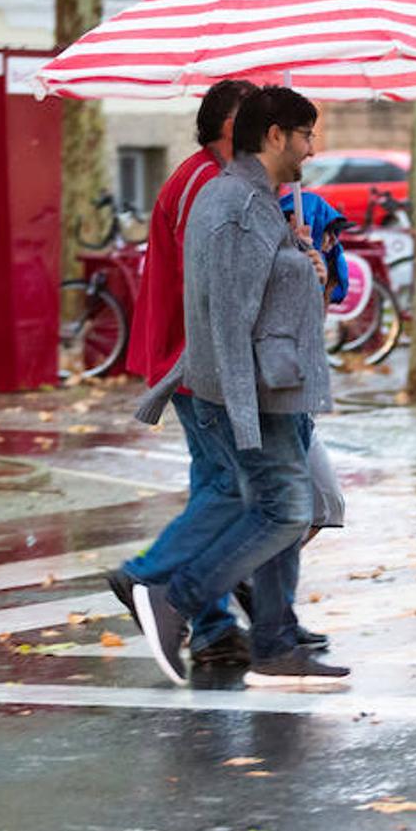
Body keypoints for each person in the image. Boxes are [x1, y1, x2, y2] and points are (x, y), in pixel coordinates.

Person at [131, 86, 348, 688]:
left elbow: (264, 289)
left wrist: (304, 263)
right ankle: (173, 593)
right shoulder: (231, 204)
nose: (312, 148)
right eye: (306, 134)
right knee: (280, 508)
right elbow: (227, 316)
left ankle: (274, 641)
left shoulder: (257, 201)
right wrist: (244, 414)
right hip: (250, 389)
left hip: (273, 384)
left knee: (279, 507)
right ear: (274, 135)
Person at [109, 79, 259, 667]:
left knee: (216, 484)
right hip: (195, 358)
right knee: (233, 487)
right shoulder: (204, 182)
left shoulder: (213, 178)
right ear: (227, 126)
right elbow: (217, 275)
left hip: (195, 356)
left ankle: (215, 625)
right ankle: (148, 574)